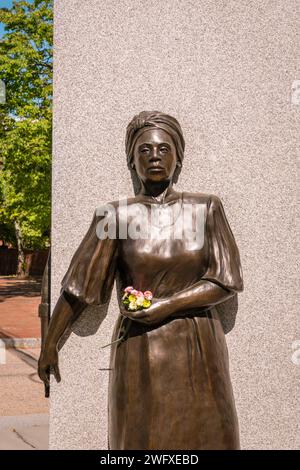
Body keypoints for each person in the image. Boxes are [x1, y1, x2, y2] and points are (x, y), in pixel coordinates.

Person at [38, 111, 244, 450]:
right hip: (141, 349)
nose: (154, 157)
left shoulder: (206, 208)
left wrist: (166, 305)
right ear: (132, 160)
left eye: (164, 149)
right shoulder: (116, 215)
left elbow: (227, 279)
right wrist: (50, 343)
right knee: (142, 439)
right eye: (144, 150)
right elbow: (80, 288)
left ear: (178, 158)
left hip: (198, 346)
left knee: (208, 436)